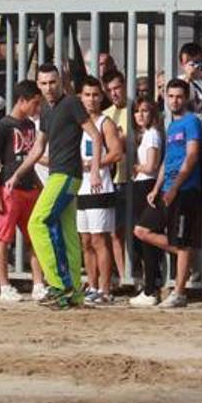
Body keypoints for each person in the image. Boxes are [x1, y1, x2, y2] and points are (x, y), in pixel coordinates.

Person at [7, 66, 105, 309]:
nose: (48, 87)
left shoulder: (72, 103)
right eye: (43, 83)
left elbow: (96, 134)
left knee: (37, 223)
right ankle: (75, 295)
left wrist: (94, 171)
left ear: (60, 82)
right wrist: (17, 175)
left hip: (66, 175)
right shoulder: (47, 112)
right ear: (38, 86)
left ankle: (59, 285)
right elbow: (38, 148)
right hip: (58, 176)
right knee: (69, 234)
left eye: (52, 82)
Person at [134, 80, 202, 309]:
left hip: (185, 190)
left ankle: (179, 292)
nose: (174, 100)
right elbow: (167, 160)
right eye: (170, 96)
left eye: (179, 96)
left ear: (187, 98)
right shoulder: (171, 126)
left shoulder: (192, 121)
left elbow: (192, 155)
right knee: (141, 230)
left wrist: (175, 187)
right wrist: (157, 188)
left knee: (182, 241)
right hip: (166, 190)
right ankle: (186, 257)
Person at [0, 81, 45, 303]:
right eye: (35, 103)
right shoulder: (2, 127)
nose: (37, 108)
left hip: (30, 188)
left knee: (36, 238)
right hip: (8, 191)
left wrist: (39, 185)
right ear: (22, 101)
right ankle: (4, 285)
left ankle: (38, 283)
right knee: (2, 239)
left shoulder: (30, 125)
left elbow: (30, 160)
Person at [76, 77, 123, 306]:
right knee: (85, 240)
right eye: (87, 95)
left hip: (100, 186)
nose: (91, 100)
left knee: (99, 239)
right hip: (80, 188)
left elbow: (116, 153)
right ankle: (92, 285)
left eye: (95, 95)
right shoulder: (77, 123)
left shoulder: (105, 123)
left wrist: (94, 165)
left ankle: (105, 288)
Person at [124, 99, 162, 305]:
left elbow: (151, 166)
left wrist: (136, 168)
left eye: (145, 111)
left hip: (147, 185)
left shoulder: (152, 134)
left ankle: (151, 289)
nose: (140, 115)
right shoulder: (146, 135)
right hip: (142, 185)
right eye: (137, 111)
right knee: (142, 238)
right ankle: (150, 285)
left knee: (146, 236)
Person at [103, 70, 132, 277]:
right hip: (113, 179)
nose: (114, 93)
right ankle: (124, 277)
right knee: (115, 232)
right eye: (110, 89)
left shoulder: (137, 109)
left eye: (117, 88)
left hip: (136, 178)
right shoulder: (106, 115)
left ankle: (137, 272)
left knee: (137, 231)